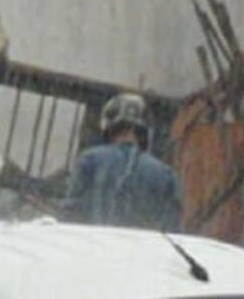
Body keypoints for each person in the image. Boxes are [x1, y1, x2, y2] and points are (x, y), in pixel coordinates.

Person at [63, 93, 181, 231]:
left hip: (94, 249)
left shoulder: (89, 160)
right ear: (145, 132)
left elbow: (71, 217)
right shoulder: (165, 174)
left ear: (108, 126)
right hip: (141, 251)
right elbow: (171, 229)